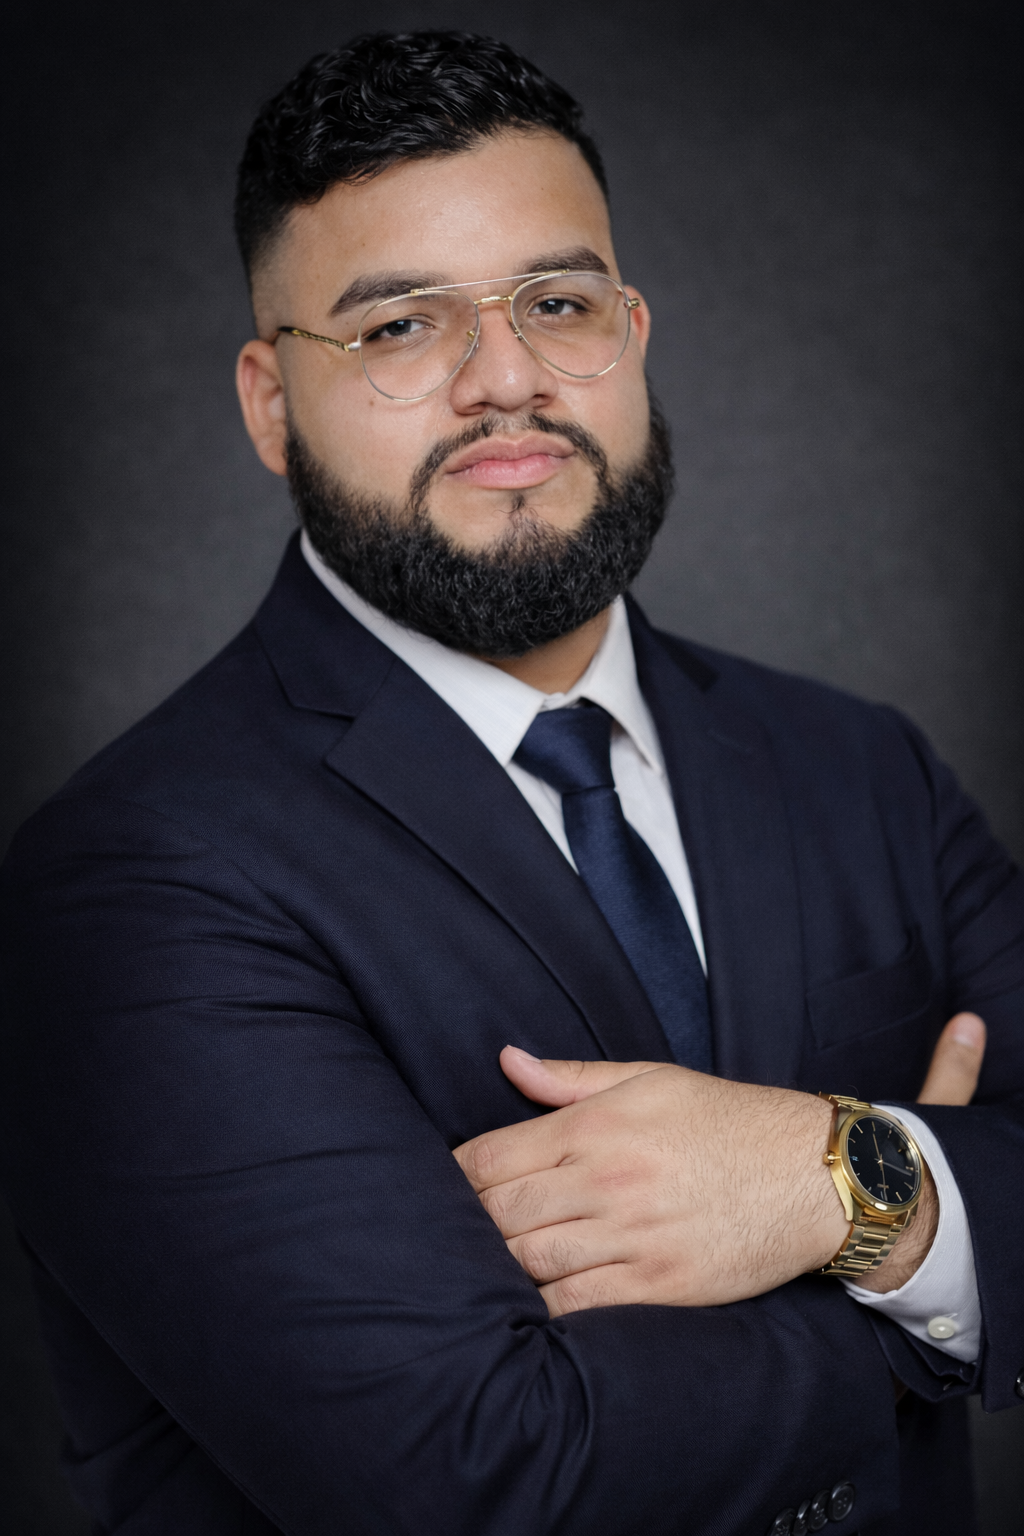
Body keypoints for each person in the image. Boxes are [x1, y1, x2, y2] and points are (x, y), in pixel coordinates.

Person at [1, 29, 1021, 1536]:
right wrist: (911, 1239)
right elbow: (485, 1481)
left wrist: (822, 1180)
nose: (508, 381)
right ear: (269, 402)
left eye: (559, 302)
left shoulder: (859, 764)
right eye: (402, 325)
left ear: (633, 328)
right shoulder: (129, 883)